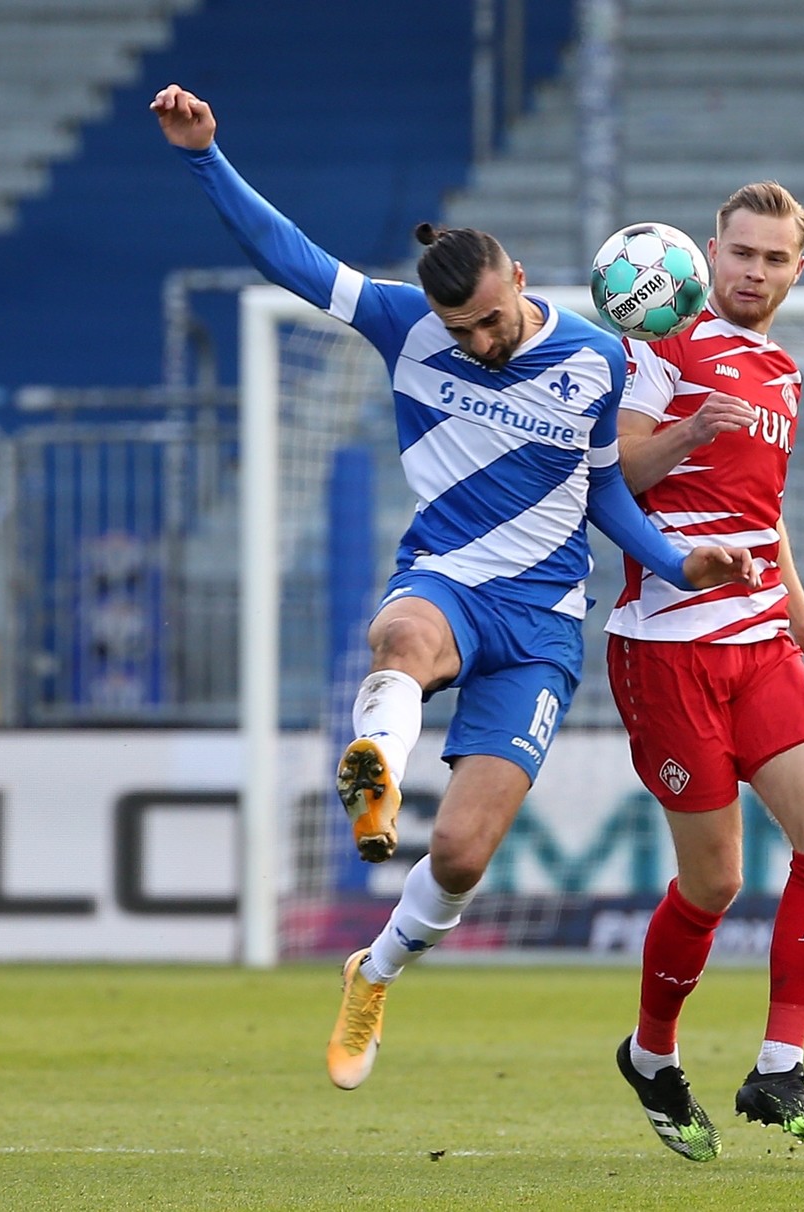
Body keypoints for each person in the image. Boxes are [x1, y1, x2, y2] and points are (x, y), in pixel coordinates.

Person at [151, 85, 759, 1092]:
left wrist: (672, 559)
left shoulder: (596, 359)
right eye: (461, 330)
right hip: (444, 577)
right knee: (400, 639)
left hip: (541, 620)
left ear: (519, 278)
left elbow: (601, 486)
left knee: (465, 856)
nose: (479, 343)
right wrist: (202, 155)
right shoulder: (405, 325)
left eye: (488, 321)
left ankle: (373, 972)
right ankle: (375, 769)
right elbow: (287, 257)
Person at [604, 182, 804, 1160]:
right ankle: (651, 1053)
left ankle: (776, 1067)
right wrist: (685, 432)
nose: (752, 272)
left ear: (798, 270)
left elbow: (765, 516)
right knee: (712, 884)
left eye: (772, 258)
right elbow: (609, 477)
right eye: (739, 253)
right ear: (706, 254)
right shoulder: (652, 346)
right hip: (666, 649)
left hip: (756, 647)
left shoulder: (783, 374)